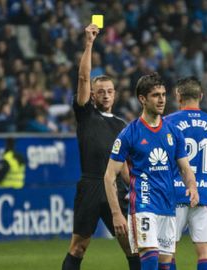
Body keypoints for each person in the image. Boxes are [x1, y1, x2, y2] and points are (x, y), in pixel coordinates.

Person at [61, 24, 140, 270]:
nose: (105, 95)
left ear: (115, 95)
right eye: (100, 92)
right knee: (78, 247)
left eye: (109, 91)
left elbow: (125, 164)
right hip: (90, 185)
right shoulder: (86, 114)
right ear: (92, 96)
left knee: (131, 244)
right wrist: (89, 43)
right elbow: (84, 77)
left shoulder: (122, 125)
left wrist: (134, 188)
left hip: (115, 187)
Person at [104, 73, 199, 270]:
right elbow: (109, 176)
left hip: (167, 206)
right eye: (156, 95)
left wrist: (192, 186)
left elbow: (185, 168)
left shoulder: (173, 132)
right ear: (142, 99)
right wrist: (116, 214)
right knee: (149, 260)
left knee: (166, 265)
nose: (162, 99)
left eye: (164, 94)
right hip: (143, 206)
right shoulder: (129, 133)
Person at [164, 76, 207, 270]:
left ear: (178, 96)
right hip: (206, 193)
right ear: (201, 96)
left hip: (173, 193)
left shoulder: (166, 123)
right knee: (206, 254)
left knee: (167, 252)